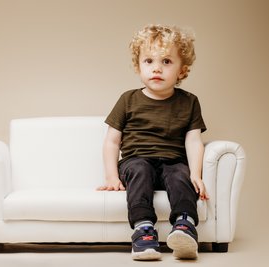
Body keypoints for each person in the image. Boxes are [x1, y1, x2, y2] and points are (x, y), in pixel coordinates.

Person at [97, 24, 209, 261]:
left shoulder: (189, 102)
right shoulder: (128, 99)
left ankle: (184, 226)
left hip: (172, 161)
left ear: (182, 70)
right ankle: (143, 229)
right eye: (149, 61)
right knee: (139, 168)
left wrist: (196, 174)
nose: (157, 68)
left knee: (181, 174)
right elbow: (112, 141)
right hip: (136, 161)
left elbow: (193, 141)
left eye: (167, 62)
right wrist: (111, 176)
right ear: (138, 66)